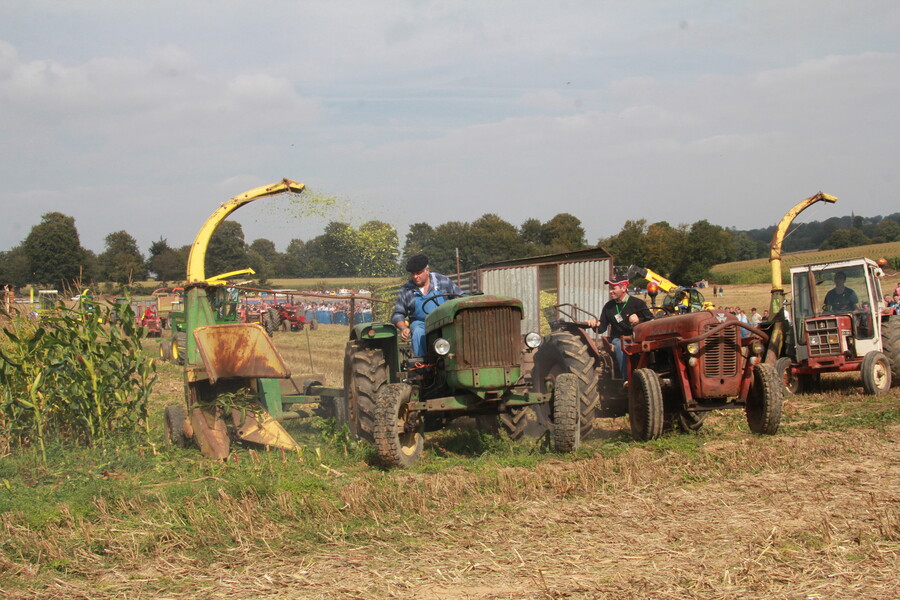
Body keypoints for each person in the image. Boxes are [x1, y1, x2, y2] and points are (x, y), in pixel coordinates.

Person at [391, 254, 464, 357]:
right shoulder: (406, 290)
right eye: (413, 274)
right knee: (417, 332)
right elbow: (398, 314)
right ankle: (421, 365)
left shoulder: (442, 281)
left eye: (418, 273)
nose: (415, 277)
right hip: (421, 323)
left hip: (445, 321)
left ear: (427, 270)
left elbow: (461, 297)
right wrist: (403, 328)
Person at [586, 275, 654, 379]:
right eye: (610, 288)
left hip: (637, 338)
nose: (610, 291)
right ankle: (626, 380)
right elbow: (601, 329)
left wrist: (638, 320)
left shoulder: (638, 303)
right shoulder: (609, 307)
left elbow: (651, 320)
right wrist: (595, 324)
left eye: (613, 288)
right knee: (621, 346)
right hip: (618, 339)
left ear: (623, 288)